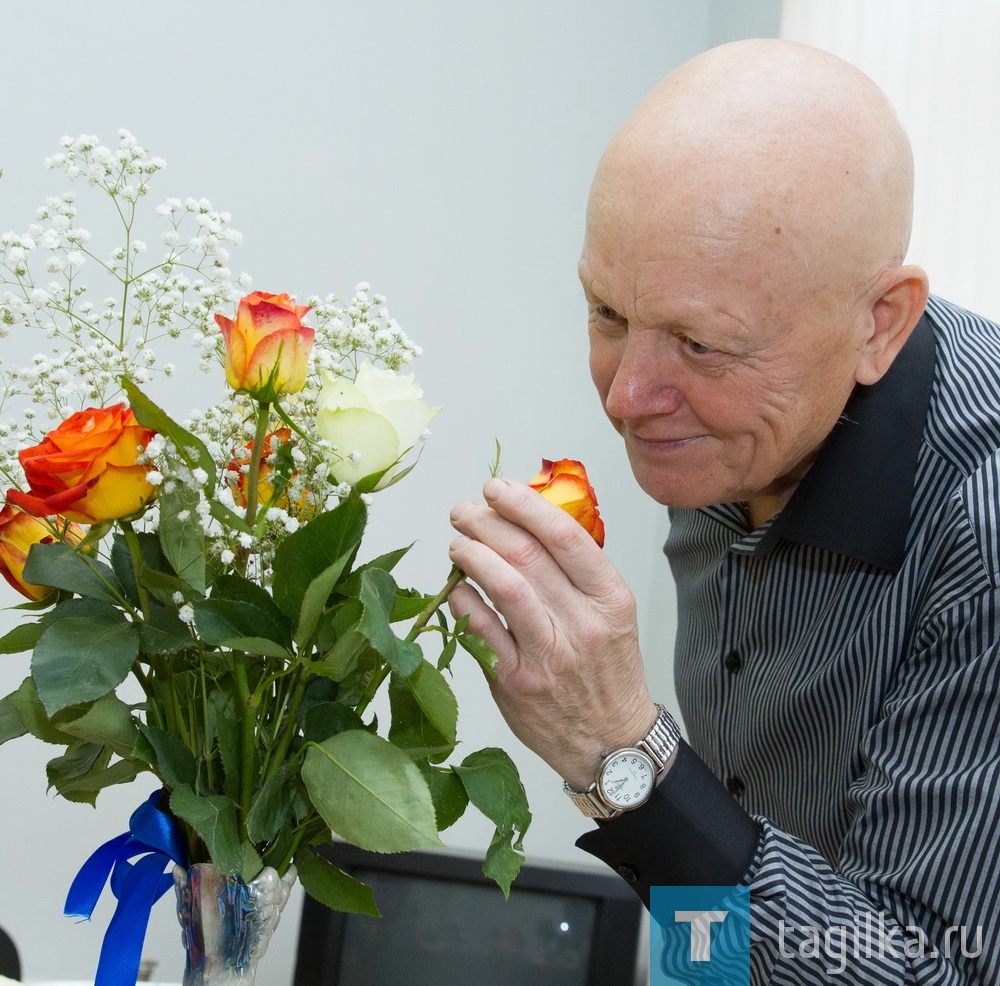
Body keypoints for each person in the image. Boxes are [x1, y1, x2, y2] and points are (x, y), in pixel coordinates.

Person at [447, 38, 1000, 984]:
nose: (627, 396)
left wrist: (623, 754)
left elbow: (927, 969)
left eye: (700, 343)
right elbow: (736, 882)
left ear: (880, 324)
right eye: (608, 313)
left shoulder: (979, 531)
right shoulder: (744, 426)